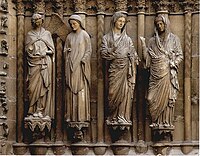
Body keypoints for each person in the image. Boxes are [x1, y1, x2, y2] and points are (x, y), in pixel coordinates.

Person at [140, 14, 183, 128]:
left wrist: (174, 63)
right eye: (157, 24)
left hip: (167, 73)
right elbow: (147, 59)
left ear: (166, 24)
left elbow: (180, 55)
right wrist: (143, 45)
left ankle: (165, 123)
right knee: (150, 98)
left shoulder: (174, 39)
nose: (159, 26)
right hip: (155, 74)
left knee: (168, 99)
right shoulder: (152, 41)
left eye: (161, 24)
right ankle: (156, 120)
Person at [101, 11, 138, 124]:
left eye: (123, 22)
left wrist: (134, 58)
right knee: (112, 93)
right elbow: (103, 53)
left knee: (125, 93)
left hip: (126, 70)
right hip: (114, 70)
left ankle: (122, 116)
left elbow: (133, 53)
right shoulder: (106, 38)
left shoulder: (127, 40)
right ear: (114, 21)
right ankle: (113, 116)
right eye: (119, 21)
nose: (121, 23)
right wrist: (112, 51)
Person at [26, 13, 55, 119]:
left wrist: (45, 53)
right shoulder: (30, 34)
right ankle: (32, 109)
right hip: (33, 64)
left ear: (42, 20)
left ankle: (40, 110)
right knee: (32, 88)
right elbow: (27, 50)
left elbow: (52, 50)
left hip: (45, 64)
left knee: (43, 86)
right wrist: (31, 52)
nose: (36, 21)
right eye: (34, 20)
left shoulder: (47, 34)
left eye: (38, 19)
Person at [64, 14, 92, 122]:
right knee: (70, 91)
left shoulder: (85, 35)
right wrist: (67, 52)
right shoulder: (69, 36)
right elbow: (65, 50)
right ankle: (71, 116)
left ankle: (82, 116)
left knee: (81, 90)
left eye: (74, 24)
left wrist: (84, 59)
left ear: (79, 23)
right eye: (71, 24)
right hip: (71, 66)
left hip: (81, 67)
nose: (72, 26)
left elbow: (89, 50)